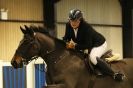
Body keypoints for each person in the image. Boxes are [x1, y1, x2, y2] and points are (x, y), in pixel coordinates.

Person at [63, 9, 125, 81]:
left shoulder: (86, 27)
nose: (73, 23)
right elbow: (66, 38)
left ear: (80, 20)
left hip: (99, 44)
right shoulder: (68, 25)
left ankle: (114, 74)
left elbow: (88, 45)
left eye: (76, 21)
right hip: (85, 45)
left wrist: (74, 46)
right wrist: (66, 43)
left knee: (93, 58)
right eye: (71, 21)